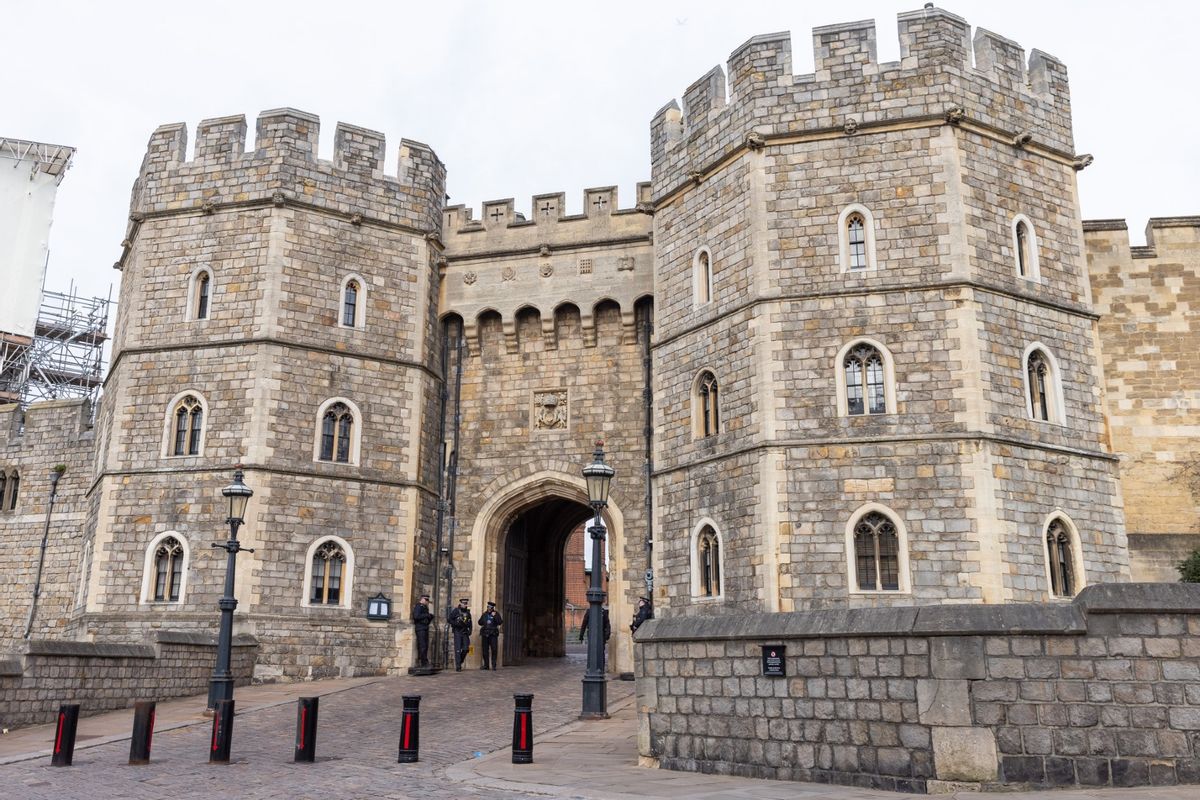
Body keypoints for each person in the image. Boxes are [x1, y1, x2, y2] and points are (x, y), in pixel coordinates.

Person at [448, 597, 472, 671]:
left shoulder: (468, 613)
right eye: (464, 603)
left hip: (465, 632)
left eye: (466, 603)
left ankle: (460, 660)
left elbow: (470, 623)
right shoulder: (456, 611)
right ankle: (458, 666)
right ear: (460, 603)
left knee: (466, 649)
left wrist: (470, 630)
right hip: (457, 632)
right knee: (458, 649)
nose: (465, 605)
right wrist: (456, 624)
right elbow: (449, 619)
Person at [477, 601, 503, 670]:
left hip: (493, 634)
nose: (489, 608)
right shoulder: (484, 614)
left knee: (494, 649)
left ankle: (494, 665)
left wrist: (495, 616)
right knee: (485, 650)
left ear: (492, 608)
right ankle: (486, 665)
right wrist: (483, 620)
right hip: (485, 634)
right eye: (488, 607)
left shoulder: (496, 614)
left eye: (490, 607)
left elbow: (500, 622)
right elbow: (479, 622)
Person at [412, 593, 433, 667]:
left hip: (425, 627)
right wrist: (426, 615)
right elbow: (416, 616)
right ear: (422, 599)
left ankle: (424, 662)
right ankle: (424, 663)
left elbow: (426, 619)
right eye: (426, 599)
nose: (427, 601)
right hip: (420, 628)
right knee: (422, 646)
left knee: (425, 646)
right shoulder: (419, 606)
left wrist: (430, 617)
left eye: (428, 600)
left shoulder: (425, 607)